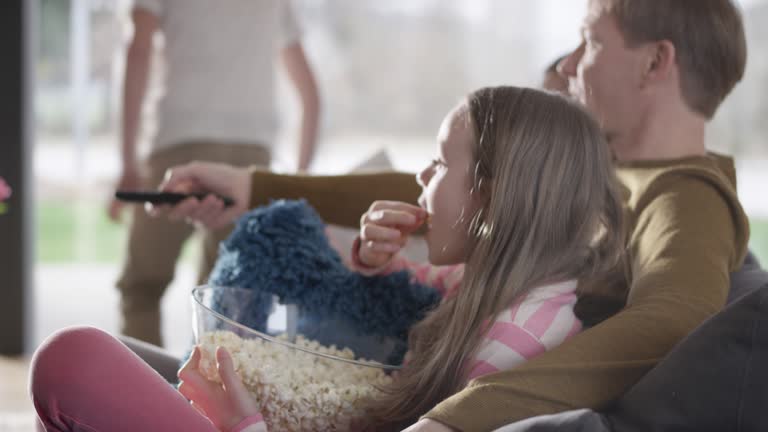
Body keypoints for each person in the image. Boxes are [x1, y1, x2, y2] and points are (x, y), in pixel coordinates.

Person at [143, 1, 752, 431]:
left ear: (655, 63)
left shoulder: (686, 198)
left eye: (591, 40)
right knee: (145, 365)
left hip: (444, 398)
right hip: (407, 380)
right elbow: (444, 184)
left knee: (105, 367)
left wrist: (456, 417)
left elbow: (673, 322)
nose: (569, 66)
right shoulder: (613, 171)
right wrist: (254, 185)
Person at [30, 86, 625, 431]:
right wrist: (371, 258)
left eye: (442, 163)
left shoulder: (517, 344)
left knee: (74, 359)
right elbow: (416, 280)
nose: (422, 174)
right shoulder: (504, 288)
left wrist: (244, 421)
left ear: (494, 195)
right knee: (112, 359)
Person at [107, 0, 320, 346]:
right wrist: (297, 177)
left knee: (141, 287)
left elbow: (138, 51)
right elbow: (310, 94)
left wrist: (128, 162)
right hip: (253, 158)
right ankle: (209, 397)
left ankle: (149, 396)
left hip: (179, 145)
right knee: (226, 298)